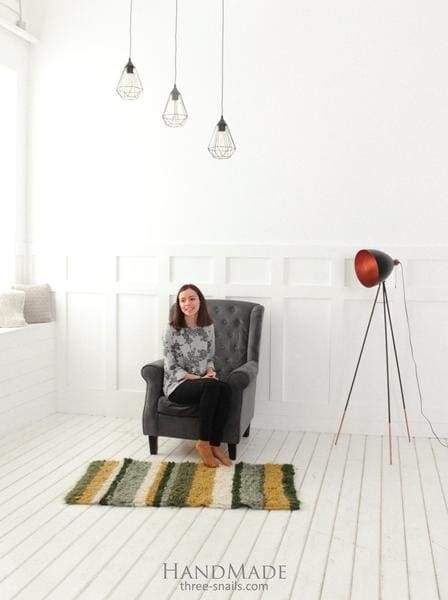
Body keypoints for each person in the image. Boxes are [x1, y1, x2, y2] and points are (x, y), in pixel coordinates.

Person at [162, 283, 232, 468]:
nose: (187, 303)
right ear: (178, 304)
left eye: (192, 299)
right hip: (178, 385)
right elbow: (170, 366)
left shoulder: (208, 327)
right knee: (212, 386)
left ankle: (215, 444)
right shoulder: (171, 330)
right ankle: (203, 442)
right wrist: (199, 379)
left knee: (225, 389)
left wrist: (210, 371)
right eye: (182, 300)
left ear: (199, 301)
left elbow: (210, 357)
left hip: (203, 382)